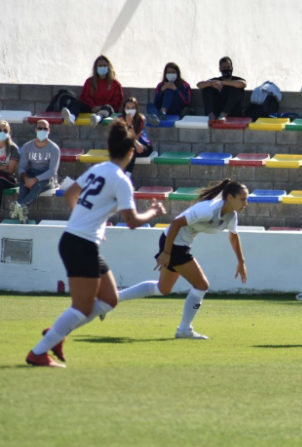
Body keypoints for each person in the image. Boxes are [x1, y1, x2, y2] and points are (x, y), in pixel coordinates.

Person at [25, 121, 166, 367]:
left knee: (110, 299)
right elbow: (132, 221)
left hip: (78, 240)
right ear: (131, 152)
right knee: (82, 307)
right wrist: (153, 212)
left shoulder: (99, 169)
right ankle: (39, 352)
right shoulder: (122, 180)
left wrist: (87, 221)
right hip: (81, 243)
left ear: (109, 149)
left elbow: (70, 194)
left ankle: (55, 335)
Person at [113, 179, 249, 340]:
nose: (245, 203)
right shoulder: (208, 209)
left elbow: (233, 237)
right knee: (201, 285)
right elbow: (176, 223)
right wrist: (166, 253)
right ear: (230, 198)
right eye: (243, 199)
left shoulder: (231, 216)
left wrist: (241, 261)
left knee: (163, 288)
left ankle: (113, 298)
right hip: (173, 243)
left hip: (180, 245)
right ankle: (184, 329)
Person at [10, 120, 60, 223]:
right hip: (31, 173)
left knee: (36, 186)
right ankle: (22, 215)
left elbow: (52, 171)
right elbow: (22, 167)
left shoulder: (54, 148)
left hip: (47, 178)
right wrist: (25, 178)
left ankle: (19, 206)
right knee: (23, 186)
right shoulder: (27, 146)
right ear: (35, 129)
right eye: (40, 128)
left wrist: (35, 179)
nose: (42, 130)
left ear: (49, 130)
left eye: (45, 128)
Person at [58, 55, 124, 127]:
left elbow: (117, 101)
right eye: (100, 65)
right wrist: (93, 106)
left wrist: (100, 107)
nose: (102, 67)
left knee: (108, 108)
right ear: (96, 68)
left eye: (104, 65)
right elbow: (84, 97)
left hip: (106, 110)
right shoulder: (90, 81)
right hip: (91, 108)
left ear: (108, 67)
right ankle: (71, 117)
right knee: (78, 103)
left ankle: (97, 118)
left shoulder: (115, 84)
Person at [197, 57, 247, 122]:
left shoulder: (237, 79)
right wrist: (211, 83)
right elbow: (199, 85)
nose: (226, 69)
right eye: (224, 68)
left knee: (237, 89)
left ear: (232, 68)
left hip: (233, 111)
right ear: (220, 69)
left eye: (228, 67)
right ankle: (211, 115)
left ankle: (224, 114)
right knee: (207, 88)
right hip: (217, 111)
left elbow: (242, 84)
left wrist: (222, 83)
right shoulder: (215, 80)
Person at [118, 97, 153, 178]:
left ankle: (126, 176)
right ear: (124, 109)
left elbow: (135, 138)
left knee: (132, 148)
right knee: (131, 148)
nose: (130, 110)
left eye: (133, 108)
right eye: (128, 108)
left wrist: (130, 125)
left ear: (136, 109)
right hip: (129, 147)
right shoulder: (120, 120)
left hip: (143, 146)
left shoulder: (141, 119)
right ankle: (127, 176)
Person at [0, 120, 20, 208]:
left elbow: (10, 170)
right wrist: (2, 167)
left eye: (5, 131)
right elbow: (5, 168)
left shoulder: (13, 148)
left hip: (10, 179)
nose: (2, 133)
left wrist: (4, 168)